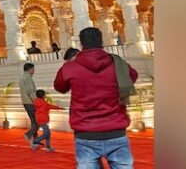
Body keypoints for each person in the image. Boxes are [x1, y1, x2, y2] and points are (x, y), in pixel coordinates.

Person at [54, 27, 138, 169]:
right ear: (102, 42)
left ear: (81, 44)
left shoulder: (70, 67)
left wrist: (70, 65)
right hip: (116, 130)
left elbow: (60, 87)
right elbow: (132, 77)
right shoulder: (117, 63)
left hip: (86, 134)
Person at [19, 63, 40, 145]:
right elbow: (30, 91)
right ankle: (28, 134)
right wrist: (37, 102)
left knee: (34, 122)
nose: (34, 70)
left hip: (26, 102)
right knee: (37, 122)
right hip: (30, 102)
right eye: (33, 69)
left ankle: (36, 141)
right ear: (30, 69)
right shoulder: (27, 78)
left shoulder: (22, 78)